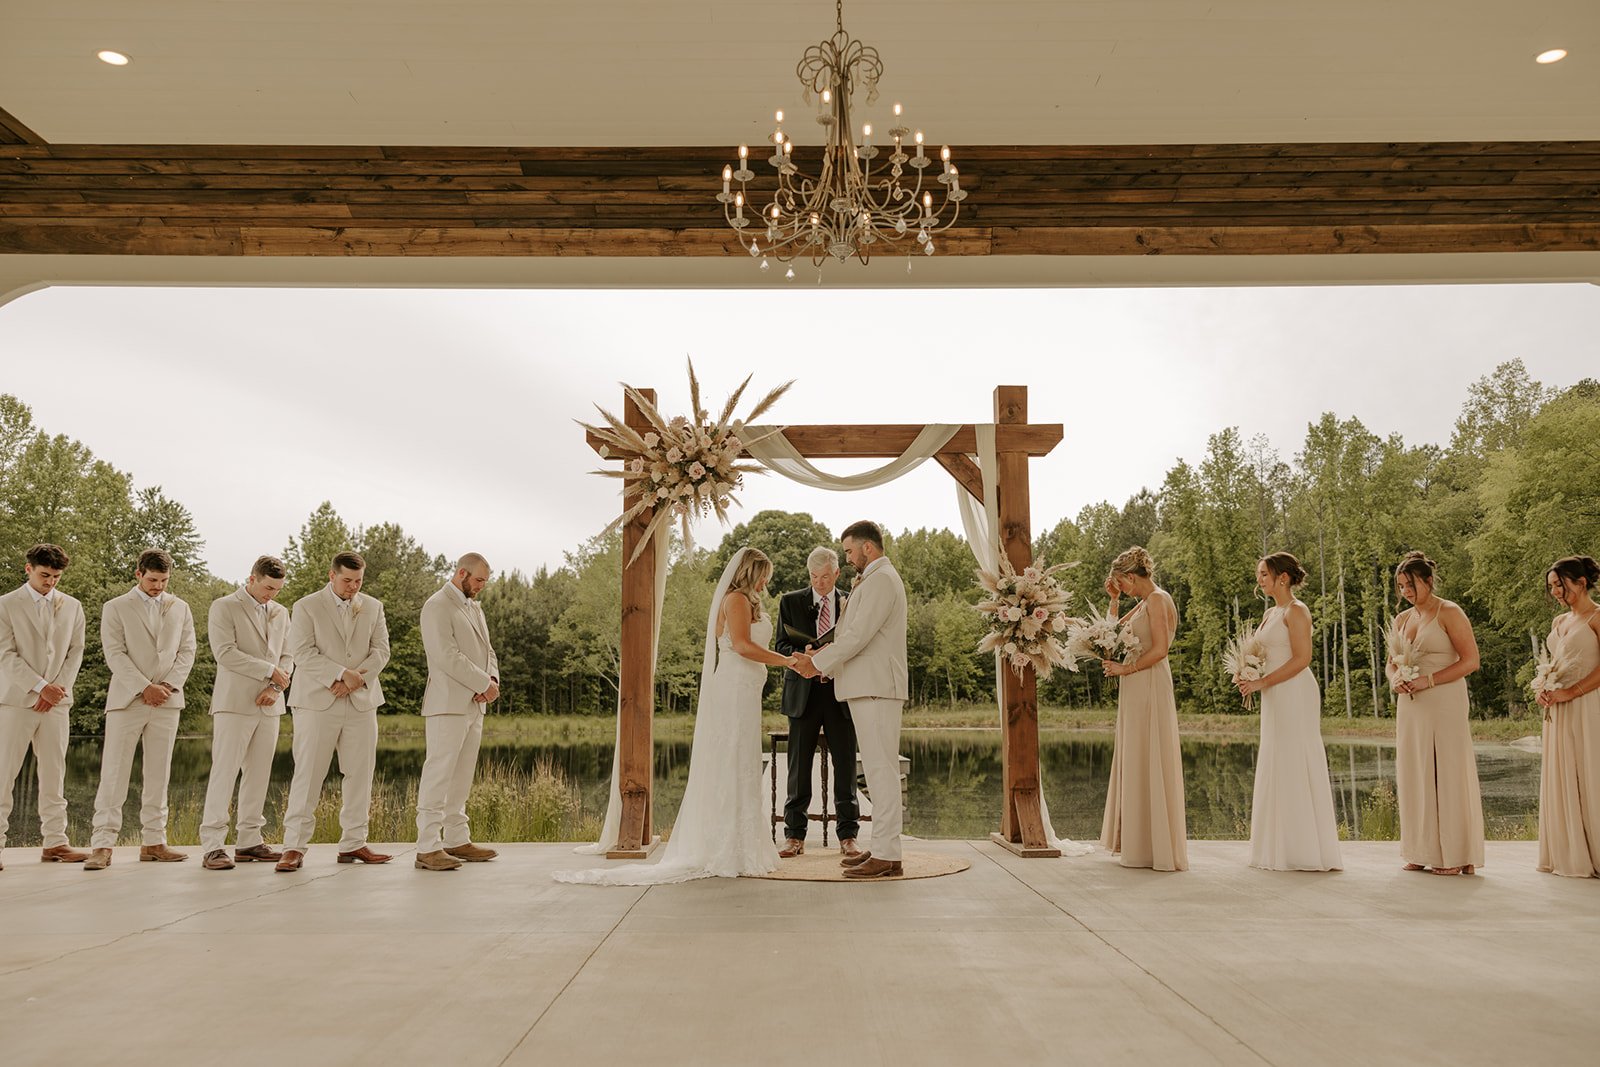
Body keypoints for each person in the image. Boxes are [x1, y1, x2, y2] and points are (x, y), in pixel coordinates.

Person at [555, 547, 789, 885]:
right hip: (735, 690)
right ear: (751, 573)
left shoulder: (749, 602)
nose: (768, 580)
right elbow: (740, 645)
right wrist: (786, 662)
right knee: (732, 762)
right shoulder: (735, 599)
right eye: (764, 573)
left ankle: (744, 845)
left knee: (743, 764)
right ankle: (728, 848)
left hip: (748, 691)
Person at [797, 521, 909, 880]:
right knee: (877, 771)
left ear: (868, 549)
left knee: (881, 770)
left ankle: (888, 854)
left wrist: (816, 663)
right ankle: (882, 849)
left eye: (848, 552)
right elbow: (852, 633)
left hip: (876, 687)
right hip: (869, 686)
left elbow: (858, 635)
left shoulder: (880, 580)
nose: (847, 560)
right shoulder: (873, 579)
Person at [276, 551, 392, 872]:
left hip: (361, 701)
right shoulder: (305, 606)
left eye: (358, 581)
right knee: (309, 773)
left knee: (359, 773)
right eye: (347, 581)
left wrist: (356, 680)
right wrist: (340, 674)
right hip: (317, 701)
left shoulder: (374, 607)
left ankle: (354, 843)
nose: (353, 587)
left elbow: (381, 651)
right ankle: (294, 846)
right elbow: (302, 651)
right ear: (331, 575)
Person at [85, 549, 197, 870]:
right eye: (152, 580)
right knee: (114, 772)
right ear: (138, 574)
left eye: (163, 581)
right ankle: (103, 845)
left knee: (159, 774)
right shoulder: (115, 607)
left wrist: (168, 686)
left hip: (168, 700)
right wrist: (144, 686)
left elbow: (187, 651)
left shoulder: (181, 608)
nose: (158, 586)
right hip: (127, 699)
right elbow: (115, 653)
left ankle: (154, 841)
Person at [1236, 553, 1342, 872]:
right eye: (1258, 574)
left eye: (1264, 574)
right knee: (1276, 759)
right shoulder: (1270, 613)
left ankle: (1304, 850)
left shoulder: (1297, 611)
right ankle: (1277, 847)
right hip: (1272, 693)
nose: (1260, 579)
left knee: (1295, 758)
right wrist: (1247, 672)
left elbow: (1302, 659)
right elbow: (1261, 652)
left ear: (1283, 577)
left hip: (1294, 690)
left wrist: (1263, 681)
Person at [1386, 551, 1484, 876]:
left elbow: (1471, 661)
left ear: (1428, 581)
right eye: (1401, 586)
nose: (1406, 592)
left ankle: (1454, 854)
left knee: (1446, 771)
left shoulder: (1449, 612)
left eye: (1410, 585)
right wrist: (1395, 679)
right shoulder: (1402, 619)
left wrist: (1428, 680)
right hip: (1411, 706)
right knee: (1415, 772)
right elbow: (1391, 662)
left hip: (1444, 699)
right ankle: (1419, 849)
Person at [199, 555, 293, 871]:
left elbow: (288, 655)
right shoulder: (224, 607)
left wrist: (276, 688)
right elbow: (225, 654)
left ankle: (249, 841)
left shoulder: (281, 612)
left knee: (259, 773)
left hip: (270, 704)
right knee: (225, 772)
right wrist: (269, 671)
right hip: (234, 702)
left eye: (278, 590)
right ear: (251, 578)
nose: (272, 595)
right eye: (268, 587)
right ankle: (212, 845)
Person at [1098, 546, 1188, 872]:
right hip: (1135, 688)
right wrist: (1113, 600)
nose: (1121, 587)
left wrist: (1125, 670)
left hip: (1149, 683)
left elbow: (1162, 649)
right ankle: (1136, 843)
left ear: (1132, 577)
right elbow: (1108, 635)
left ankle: (1155, 846)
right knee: (1135, 757)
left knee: (1150, 755)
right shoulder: (1140, 604)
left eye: (1122, 584)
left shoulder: (1158, 600)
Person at [0, 543, 89, 869]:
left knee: (54, 774)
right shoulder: (6, 605)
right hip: (16, 701)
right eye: (44, 575)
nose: (50, 582)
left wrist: (56, 690)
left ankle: (55, 842)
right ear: (28, 569)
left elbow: (75, 651)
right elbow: (5, 654)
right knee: (3, 775)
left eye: (56, 577)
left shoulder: (73, 606)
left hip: (56, 704)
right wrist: (40, 686)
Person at [415, 553, 501, 871]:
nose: (480, 587)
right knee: (438, 774)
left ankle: (456, 839)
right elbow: (444, 655)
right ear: (461, 573)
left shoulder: (474, 608)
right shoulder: (437, 605)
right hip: (447, 704)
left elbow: (488, 651)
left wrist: (491, 681)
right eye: (478, 580)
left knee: (462, 776)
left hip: (474, 704)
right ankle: (427, 847)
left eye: (484, 582)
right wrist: (480, 682)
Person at [774, 545, 860, 858]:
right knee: (798, 768)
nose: (820, 583)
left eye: (825, 577)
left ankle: (848, 836)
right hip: (803, 693)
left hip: (840, 694)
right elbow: (781, 645)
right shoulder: (790, 601)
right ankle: (794, 836)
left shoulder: (850, 602)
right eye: (814, 577)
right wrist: (802, 654)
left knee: (846, 766)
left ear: (837, 573)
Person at [1534, 555, 1600, 878]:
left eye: (1560, 585)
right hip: (1557, 709)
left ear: (1581, 582)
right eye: (1551, 587)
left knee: (1590, 772)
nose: (1556, 592)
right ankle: (1568, 851)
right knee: (1564, 775)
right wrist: (1543, 688)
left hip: (1588, 705)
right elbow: (1555, 664)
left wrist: (1571, 693)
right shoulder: (1558, 623)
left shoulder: (1597, 618)